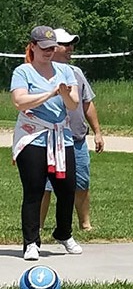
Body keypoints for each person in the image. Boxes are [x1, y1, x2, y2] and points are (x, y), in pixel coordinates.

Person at [10, 26, 82, 261]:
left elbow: (73, 105)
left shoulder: (65, 70)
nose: (49, 52)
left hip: (61, 136)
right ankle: (31, 242)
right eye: (44, 48)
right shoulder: (23, 71)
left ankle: (64, 233)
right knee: (34, 191)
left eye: (53, 47)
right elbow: (19, 102)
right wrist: (50, 93)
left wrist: (63, 94)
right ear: (32, 46)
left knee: (67, 188)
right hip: (32, 136)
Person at [40, 28, 104, 231]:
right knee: (45, 187)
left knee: (81, 184)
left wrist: (98, 132)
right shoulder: (40, 72)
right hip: (49, 140)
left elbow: (87, 103)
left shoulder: (76, 73)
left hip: (76, 140)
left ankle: (85, 224)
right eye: (66, 45)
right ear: (53, 47)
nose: (71, 49)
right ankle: (38, 226)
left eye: (71, 45)